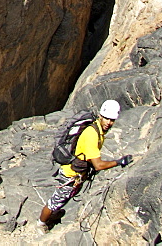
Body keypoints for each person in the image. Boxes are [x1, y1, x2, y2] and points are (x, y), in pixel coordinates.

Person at [36, 99, 133, 234]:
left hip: (76, 174)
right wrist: (119, 162)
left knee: (63, 198)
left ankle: (52, 214)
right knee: (55, 201)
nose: (109, 123)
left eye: (112, 120)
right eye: (106, 119)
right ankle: (41, 224)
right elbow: (98, 165)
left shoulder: (98, 130)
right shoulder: (91, 134)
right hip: (70, 175)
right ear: (100, 116)